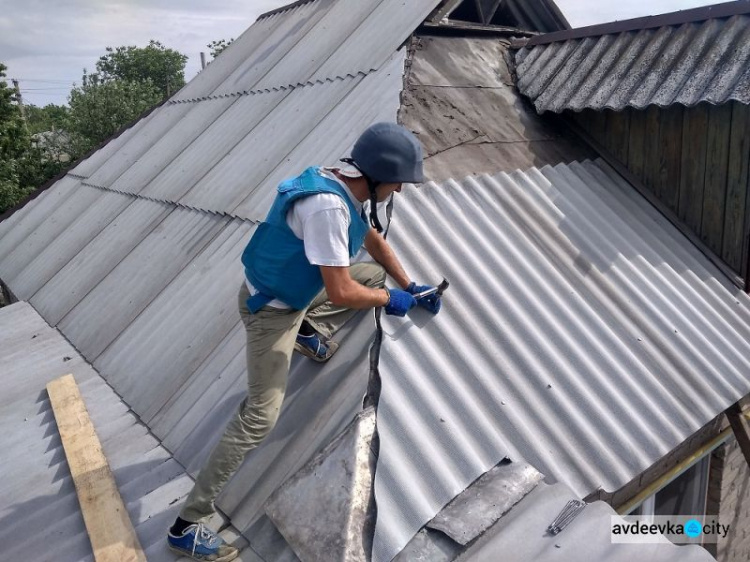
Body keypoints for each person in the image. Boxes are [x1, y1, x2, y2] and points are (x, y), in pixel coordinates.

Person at [167, 122, 442, 561]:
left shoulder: (342, 185)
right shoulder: (326, 209)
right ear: (377, 174)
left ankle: (308, 329)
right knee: (260, 415)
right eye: (399, 182)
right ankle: (188, 524)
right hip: (272, 311)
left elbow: (370, 239)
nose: (401, 191)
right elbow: (342, 293)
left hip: (297, 291)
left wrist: (411, 283)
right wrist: (392, 298)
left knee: (372, 274)